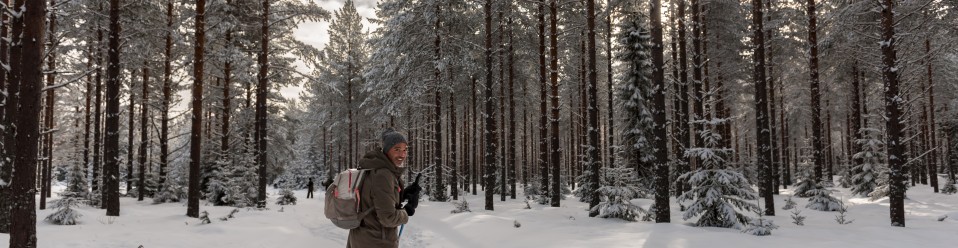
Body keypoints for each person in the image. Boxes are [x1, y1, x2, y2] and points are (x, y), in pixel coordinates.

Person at [346, 128, 421, 248]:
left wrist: (403, 193)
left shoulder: (372, 167)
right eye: (397, 149)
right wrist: (407, 211)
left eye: (405, 150)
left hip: (361, 237)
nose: (402, 154)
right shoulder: (383, 174)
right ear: (386, 151)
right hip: (376, 241)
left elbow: (374, 201)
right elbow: (388, 218)